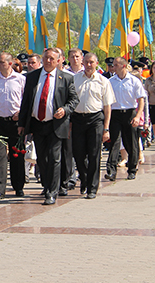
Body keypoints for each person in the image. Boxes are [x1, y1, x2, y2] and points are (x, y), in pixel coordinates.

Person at [18, 48, 79, 205]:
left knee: (54, 158)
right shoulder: (32, 77)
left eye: (52, 58)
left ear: (58, 61)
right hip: (38, 123)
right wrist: (22, 124)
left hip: (55, 124)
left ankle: (52, 192)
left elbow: (74, 100)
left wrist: (64, 110)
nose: (48, 61)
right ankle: (46, 186)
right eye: (46, 58)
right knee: (42, 158)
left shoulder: (66, 78)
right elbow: (26, 101)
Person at [71, 53, 115, 199]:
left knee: (94, 154)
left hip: (95, 119)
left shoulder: (103, 81)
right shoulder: (75, 79)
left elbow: (107, 107)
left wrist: (106, 128)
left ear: (96, 63)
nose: (89, 65)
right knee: (78, 153)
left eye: (91, 62)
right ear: (82, 63)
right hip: (78, 119)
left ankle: (92, 188)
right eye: (86, 62)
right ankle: (84, 178)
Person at [105, 57, 147, 181]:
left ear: (123, 66)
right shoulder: (111, 81)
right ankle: (111, 171)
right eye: (113, 65)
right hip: (115, 114)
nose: (113, 67)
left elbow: (141, 100)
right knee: (115, 142)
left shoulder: (134, 81)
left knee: (131, 143)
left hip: (129, 113)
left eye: (116, 65)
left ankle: (132, 169)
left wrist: (138, 116)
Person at [0, 52, 26, 199]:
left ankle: (18, 186)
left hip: (15, 122)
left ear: (10, 63)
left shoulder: (20, 79)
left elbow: (26, 100)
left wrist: (21, 114)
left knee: (16, 154)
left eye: (2, 62)